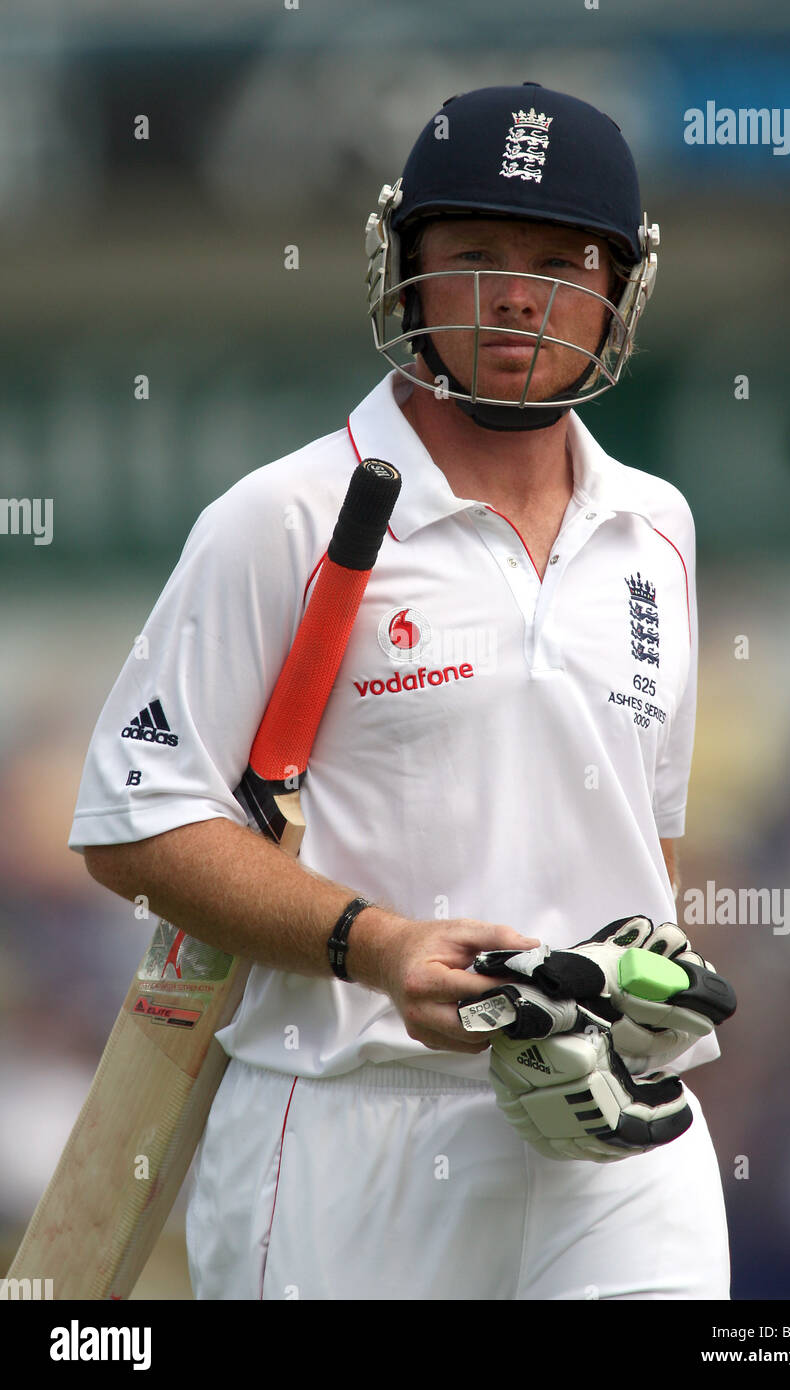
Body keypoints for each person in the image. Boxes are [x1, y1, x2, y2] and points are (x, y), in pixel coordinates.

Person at [71, 83, 732, 1300]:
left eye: (559, 260)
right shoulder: (284, 516)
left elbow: (649, 836)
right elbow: (135, 821)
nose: (519, 294)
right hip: (348, 1122)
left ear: (621, 286)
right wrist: (376, 947)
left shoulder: (659, 528)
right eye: (474, 253)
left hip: (612, 1128)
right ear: (404, 270)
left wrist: (630, 999)